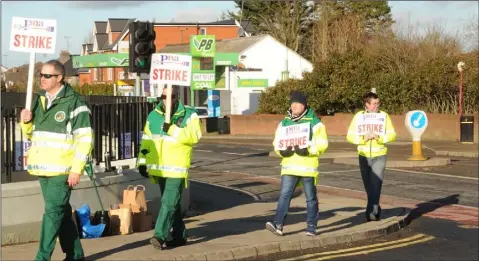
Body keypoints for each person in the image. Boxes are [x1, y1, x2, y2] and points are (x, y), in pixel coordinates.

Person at [20, 60, 93, 261]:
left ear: (59, 77)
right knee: (61, 213)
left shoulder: (75, 102)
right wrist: (25, 122)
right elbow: (30, 134)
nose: (41, 79)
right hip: (42, 168)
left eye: (46, 76)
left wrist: (76, 169)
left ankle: (41, 258)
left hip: (62, 170)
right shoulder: (38, 100)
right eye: (40, 75)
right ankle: (76, 254)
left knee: (52, 213)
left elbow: (85, 139)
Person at [137, 87, 202, 250]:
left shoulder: (189, 114)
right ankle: (180, 236)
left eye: (171, 96)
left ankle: (159, 235)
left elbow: (194, 137)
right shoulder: (153, 116)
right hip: (159, 170)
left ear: (177, 97)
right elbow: (146, 141)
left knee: (168, 202)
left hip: (177, 168)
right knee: (173, 204)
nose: (167, 99)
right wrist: (142, 162)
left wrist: (171, 128)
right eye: (163, 96)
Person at [265, 90, 329, 237]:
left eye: (297, 103)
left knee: (310, 198)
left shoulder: (315, 123)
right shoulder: (284, 122)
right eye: (292, 103)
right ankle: (278, 224)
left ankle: (311, 227)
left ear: (304, 105)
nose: (294, 106)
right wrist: (282, 152)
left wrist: (308, 150)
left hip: (308, 167)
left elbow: (322, 143)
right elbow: (277, 142)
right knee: (284, 195)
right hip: (289, 165)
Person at [346, 92, 396, 221]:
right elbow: (350, 136)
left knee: (376, 183)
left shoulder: (384, 116)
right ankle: (375, 207)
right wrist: (364, 138)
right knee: (368, 186)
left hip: (379, 154)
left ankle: (371, 213)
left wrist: (379, 138)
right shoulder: (358, 116)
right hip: (363, 155)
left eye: (378, 103)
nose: (376, 106)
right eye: (373, 104)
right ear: (366, 104)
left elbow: (392, 135)